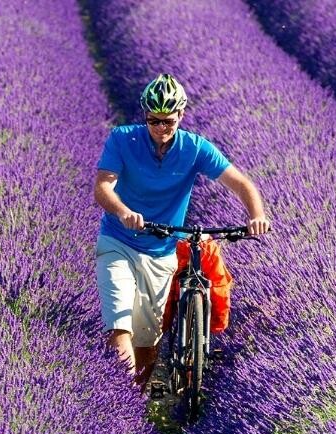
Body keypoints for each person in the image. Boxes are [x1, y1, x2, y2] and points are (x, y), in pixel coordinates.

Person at [93, 74, 271, 389]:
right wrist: (123, 212)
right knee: (120, 323)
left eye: (169, 122)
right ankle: (119, 392)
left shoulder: (194, 148)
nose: (161, 128)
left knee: (147, 340)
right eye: (154, 121)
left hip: (162, 251)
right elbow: (103, 187)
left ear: (182, 116)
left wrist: (256, 216)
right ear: (144, 114)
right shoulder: (122, 139)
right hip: (119, 242)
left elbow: (241, 183)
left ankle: (134, 399)